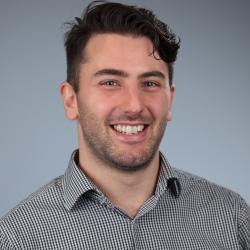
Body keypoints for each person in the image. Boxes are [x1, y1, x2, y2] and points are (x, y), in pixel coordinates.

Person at [0, 1, 249, 249]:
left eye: (150, 83)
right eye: (110, 82)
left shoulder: (232, 218)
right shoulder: (17, 238)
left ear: (169, 99)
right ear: (71, 100)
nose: (134, 106)